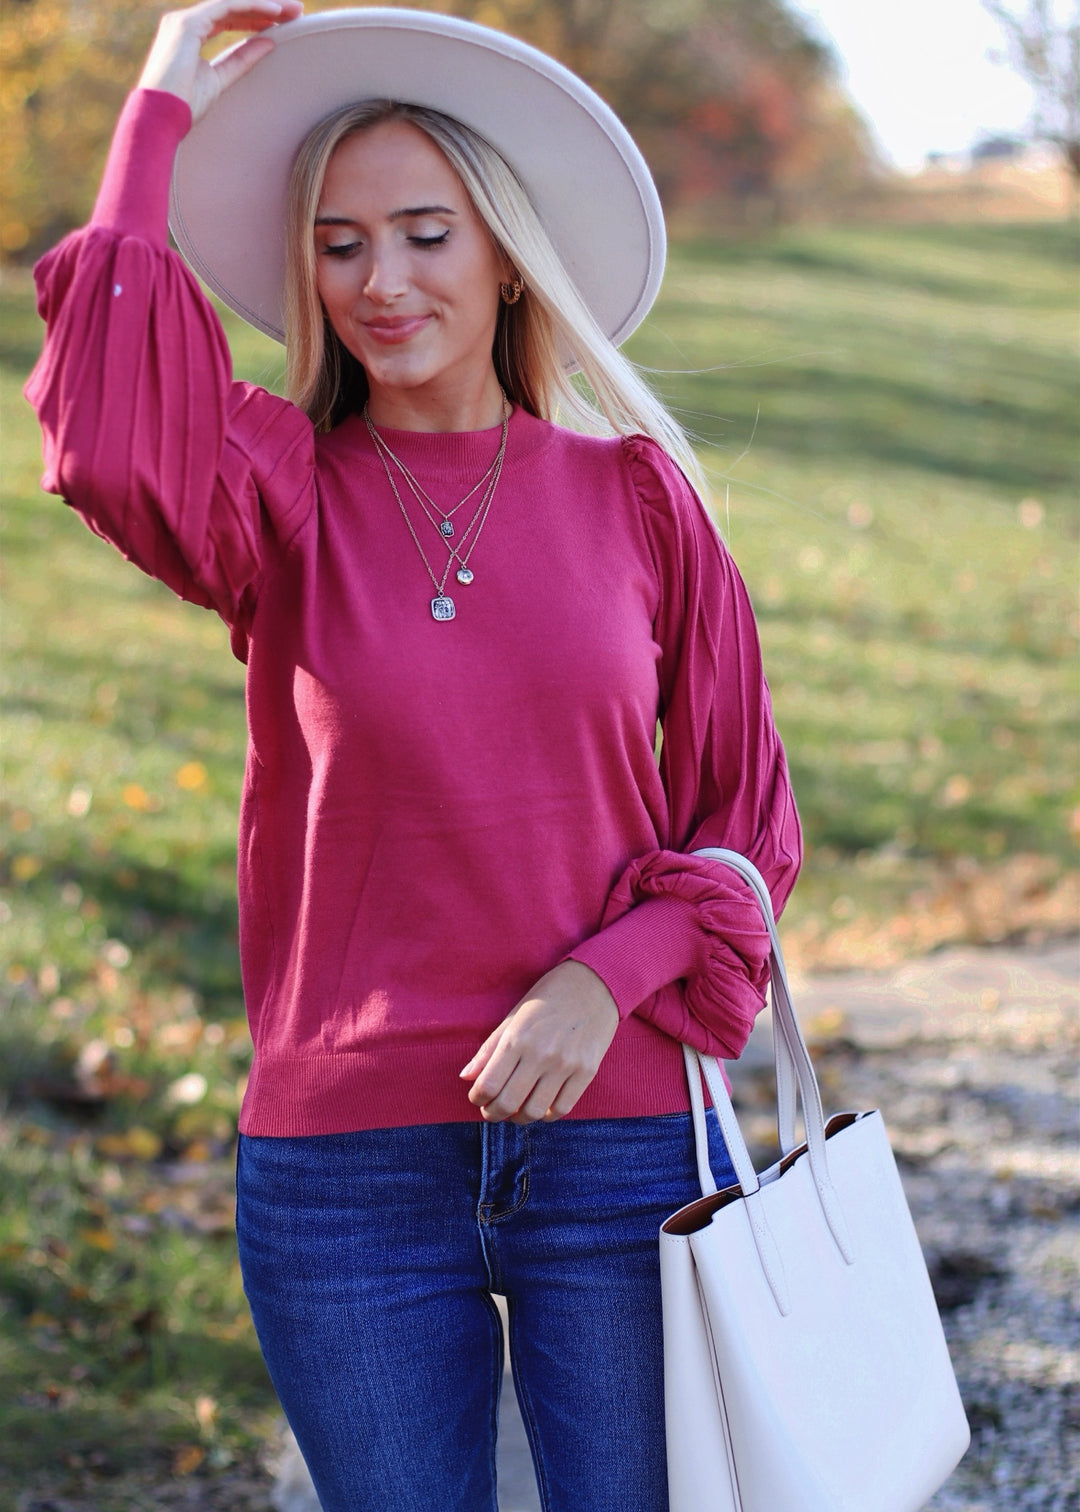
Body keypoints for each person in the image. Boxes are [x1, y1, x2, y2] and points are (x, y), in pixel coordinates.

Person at [25, 3, 802, 1509]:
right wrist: (160, 101)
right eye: (339, 243)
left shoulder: (640, 500)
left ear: (507, 252)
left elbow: (743, 823)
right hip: (349, 1170)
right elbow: (107, 435)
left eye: (427, 234)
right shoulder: (276, 492)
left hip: (618, 1149)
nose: (383, 281)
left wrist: (610, 974)